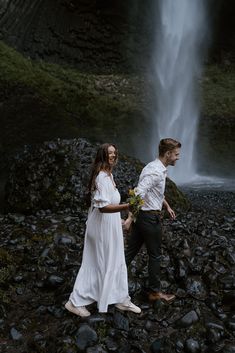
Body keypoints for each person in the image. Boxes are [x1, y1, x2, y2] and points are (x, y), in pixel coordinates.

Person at [65, 143, 141, 317]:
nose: (113, 156)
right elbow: (103, 207)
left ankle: (120, 298)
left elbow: (109, 205)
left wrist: (120, 219)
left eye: (114, 153)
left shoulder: (109, 175)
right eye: (109, 153)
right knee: (96, 262)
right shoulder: (101, 177)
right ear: (102, 156)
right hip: (100, 227)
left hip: (109, 225)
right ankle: (74, 302)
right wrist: (128, 205)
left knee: (115, 260)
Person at [124, 138, 181, 303]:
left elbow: (155, 193)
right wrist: (129, 218)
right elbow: (138, 193)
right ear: (168, 153)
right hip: (149, 218)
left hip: (143, 217)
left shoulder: (154, 167)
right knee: (155, 255)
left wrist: (167, 206)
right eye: (176, 154)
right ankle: (154, 292)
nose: (178, 157)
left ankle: (111, 278)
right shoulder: (156, 172)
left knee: (130, 251)